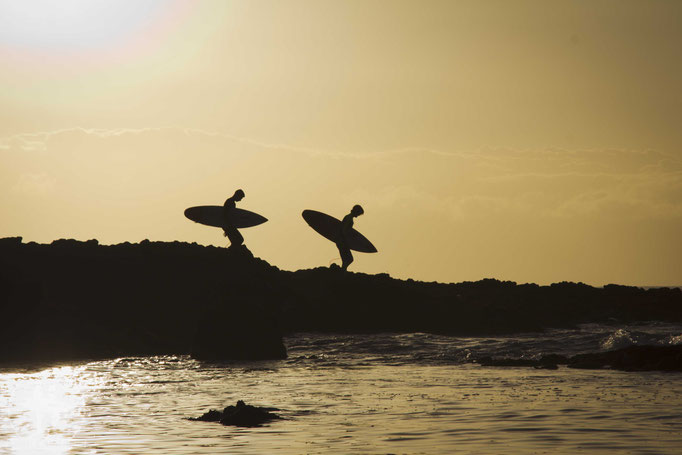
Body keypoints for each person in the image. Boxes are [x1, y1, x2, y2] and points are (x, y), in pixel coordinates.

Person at [336, 204, 364, 271]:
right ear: (356, 211)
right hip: (342, 242)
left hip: (340, 241)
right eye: (358, 213)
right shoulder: (349, 219)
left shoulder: (348, 217)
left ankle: (343, 272)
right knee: (349, 259)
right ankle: (342, 271)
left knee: (346, 260)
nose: (358, 216)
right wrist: (346, 241)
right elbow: (344, 231)